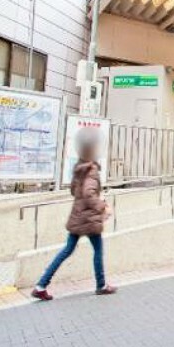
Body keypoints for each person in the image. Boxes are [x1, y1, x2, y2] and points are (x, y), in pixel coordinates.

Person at [32, 128, 116, 300]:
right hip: (89, 219)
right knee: (98, 251)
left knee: (66, 250)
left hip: (77, 217)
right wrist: (103, 207)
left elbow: (74, 191)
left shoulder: (79, 168)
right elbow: (88, 193)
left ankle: (41, 285)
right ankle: (101, 285)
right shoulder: (91, 170)